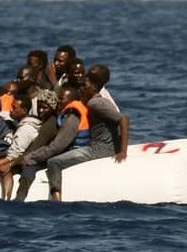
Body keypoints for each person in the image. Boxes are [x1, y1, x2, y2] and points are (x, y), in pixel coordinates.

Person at [43, 64, 129, 200]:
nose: (81, 89)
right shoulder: (96, 101)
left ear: (94, 88)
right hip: (101, 146)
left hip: (99, 150)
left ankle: (56, 199)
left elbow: (123, 119)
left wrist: (123, 151)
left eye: (85, 86)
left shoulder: (95, 103)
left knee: (54, 162)